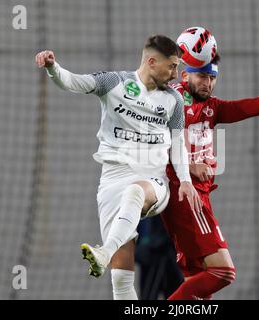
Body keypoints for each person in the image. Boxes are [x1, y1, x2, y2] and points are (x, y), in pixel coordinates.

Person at [34, 35, 202, 300]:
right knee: (122, 284)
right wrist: (53, 67)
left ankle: (104, 251)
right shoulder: (114, 83)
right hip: (112, 180)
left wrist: (185, 181)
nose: (176, 74)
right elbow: (73, 82)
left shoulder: (174, 101)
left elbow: (178, 145)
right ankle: (110, 253)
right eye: (171, 66)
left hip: (152, 181)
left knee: (135, 192)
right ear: (151, 61)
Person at [161, 50, 259, 300]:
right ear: (185, 75)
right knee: (223, 272)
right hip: (186, 195)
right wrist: (190, 166)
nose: (208, 83)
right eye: (202, 76)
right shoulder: (175, 99)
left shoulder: (212, 107)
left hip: (198, 196)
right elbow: (153, 141)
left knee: (199, 292)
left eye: (212, 77)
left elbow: (258, 106)